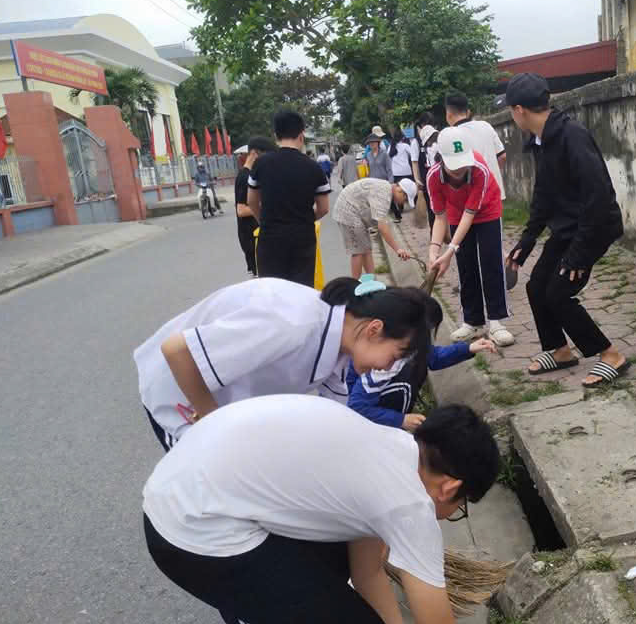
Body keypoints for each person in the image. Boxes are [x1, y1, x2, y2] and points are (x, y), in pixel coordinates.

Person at [143, 394, 498, 624]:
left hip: (176, 488)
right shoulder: (410, 506)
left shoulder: (388, 446)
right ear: (451, 488)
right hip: (193, 533)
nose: (448, 517)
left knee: (336, 567)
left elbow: (367, 573)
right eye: (459, 508)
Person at [133, 276, 434, 451]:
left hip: (229, 403)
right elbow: (176, 351)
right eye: (395, 356)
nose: (388, 367)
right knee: (211, 495)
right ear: (374, 329)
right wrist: (216, 424)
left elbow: (341, 420)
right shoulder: (293, 324)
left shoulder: (342, 345)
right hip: (181, 395)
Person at [504, 72, 628, 387]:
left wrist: (579, 255)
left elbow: (598, 196)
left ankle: (610, 355)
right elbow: (543, 195)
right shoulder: (540, 140)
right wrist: (526, 241)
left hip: (594, 227)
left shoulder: (572, 135)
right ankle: (559, 351)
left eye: (510, 110)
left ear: (519, 110)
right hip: (568, 228)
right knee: (536, 287)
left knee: (559, 293)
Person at [348, 296, 496, 430]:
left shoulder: (407, 348)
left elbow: (433, 357)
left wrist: (468, 348)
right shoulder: (381, 365)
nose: (426, 337)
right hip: (367, 429)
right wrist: (400, 420)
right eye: (426, 331)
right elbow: (357, 407)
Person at [427, 128, 515, 347]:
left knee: (491, 262)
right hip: (456, 214)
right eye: (453, 165)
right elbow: (440, 218)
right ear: (441, 159)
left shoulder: (479, 170)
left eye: (462, 164)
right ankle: (472, 321)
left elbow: (470, 214)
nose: (459, 170)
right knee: (466, 265)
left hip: (487, 211)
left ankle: (496, 321)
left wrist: (449, 251)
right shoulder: (433, 177)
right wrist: (433, 252)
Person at [247, 108, 331, 285]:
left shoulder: (261, 164)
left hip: (270, 238)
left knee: (272, 291)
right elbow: (324, 208)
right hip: (302, 238)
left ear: (275, 135)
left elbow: (251, 201)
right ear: (301, 135)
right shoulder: (313, 167)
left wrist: (264, 220)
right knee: (299, 291)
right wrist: (304, 219)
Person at [333, 177, 415, 278]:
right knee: (358, 251)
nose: (403, 202)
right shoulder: (384, 194)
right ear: (400, 191)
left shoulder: (386, 190)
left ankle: (372, 281)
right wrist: (398, 249)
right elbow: (382, 228)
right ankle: (354, 284)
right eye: (405, 199)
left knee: (366, 249)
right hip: (347, 211)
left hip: (354, 211)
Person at [445, 91, 508, 200]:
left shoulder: (450, 136)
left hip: (469, 198)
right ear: (468, 112)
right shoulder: (486, 126)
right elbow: (502, 156)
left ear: (448, 114)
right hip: (493, 193)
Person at [235, 137, 276, 276]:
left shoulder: (251, 174)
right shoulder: (244, 177)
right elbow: (241, 210)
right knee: (260, 277)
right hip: (251, 236)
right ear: (254, 154)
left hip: (257, 234)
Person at [389, 129, 415, 218]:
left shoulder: (390, 147)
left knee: (399, 191)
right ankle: (414, 204)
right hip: (406, 171)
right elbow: (413, 154)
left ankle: (400, 208)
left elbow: (388, 159)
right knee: (410, 188)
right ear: (402, 137)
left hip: (395, 173)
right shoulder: (405, 146)